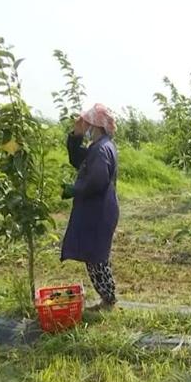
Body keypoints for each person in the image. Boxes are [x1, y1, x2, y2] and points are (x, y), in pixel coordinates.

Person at [61, 103, 120, 313]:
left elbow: (97, 180)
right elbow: (78, 159)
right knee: (94, 255)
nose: (86, 128)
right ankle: (107, 298)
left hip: (99, 211)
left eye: (88, 124)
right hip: (98, 209)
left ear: (96, 126)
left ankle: (108, 300)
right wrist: (76, 135)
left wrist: (74, 190)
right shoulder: (99, 146)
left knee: (96, 256)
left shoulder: (102, 149)